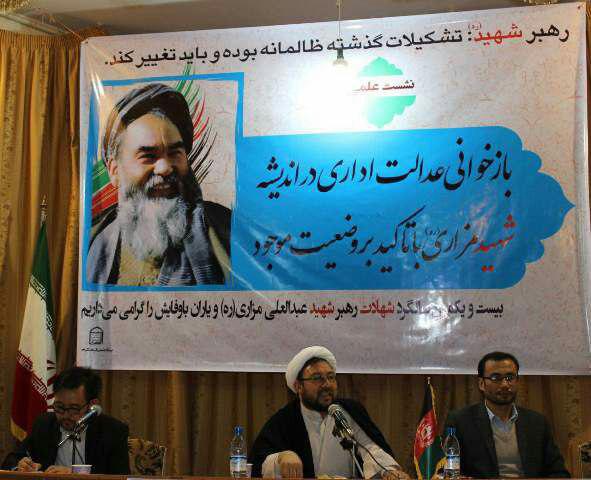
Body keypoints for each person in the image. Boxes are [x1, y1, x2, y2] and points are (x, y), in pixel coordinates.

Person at [87, 82, 231, 286]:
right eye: (148, 156)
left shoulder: (227, 231)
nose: (164, 168)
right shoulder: (90, 244)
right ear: (114, 171)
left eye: (175, 153)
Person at [249, 346, 411, 480]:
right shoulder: (285, 420)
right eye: (317, 378)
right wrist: (281, 457)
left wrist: (387, 471)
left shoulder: (349, 411)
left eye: (331, 377)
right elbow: (259, 462)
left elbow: (370, 448)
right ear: (298, 386)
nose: (327, 384)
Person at [444, 351, 570, 478]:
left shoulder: (537, 423)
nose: (505, 384)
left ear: (518, 381)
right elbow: (448, 473)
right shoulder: (461, 421)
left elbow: (559, 472)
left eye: (510, 378)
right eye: (496, 378)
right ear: (481, 384)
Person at [2, 366, 130, 474]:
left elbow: (120, 476)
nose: (65, 415)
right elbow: (11, 461)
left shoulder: (112, 431)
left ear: (92, 405)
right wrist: (20, 465)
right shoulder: (44, 424)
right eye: (59, 407)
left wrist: (74, 475)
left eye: (74, 409)